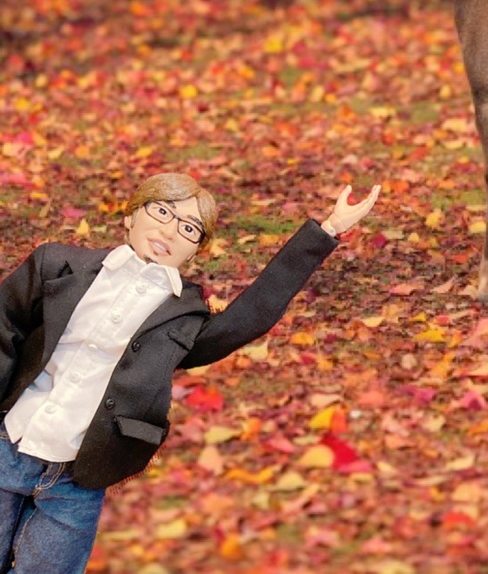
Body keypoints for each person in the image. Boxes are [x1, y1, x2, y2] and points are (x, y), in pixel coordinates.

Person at [0, 172, 380, 574]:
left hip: (78, 477)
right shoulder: (57, 265)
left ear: (195, 250)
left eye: (189, 228)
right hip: (9, 443)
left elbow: (249, 317)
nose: (170, 230)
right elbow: (4, 325)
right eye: (162, 211)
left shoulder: (184, 316)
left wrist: (327, 231)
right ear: (130, 216)